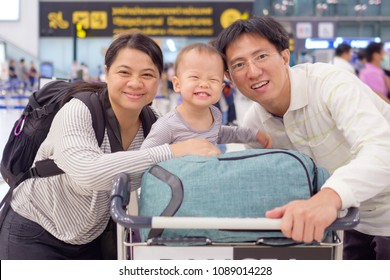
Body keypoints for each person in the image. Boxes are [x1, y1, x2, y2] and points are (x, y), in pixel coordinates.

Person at [0, 31, 220, 260]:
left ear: (159, 79)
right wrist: (172, 151)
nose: (135, 83)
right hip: (34, 232)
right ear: (106, 73)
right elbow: (89, 173)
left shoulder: (153, 122)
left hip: (93, 238)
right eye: (124, 72)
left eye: (147, 74)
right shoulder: (79, 111)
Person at [215, 16, 390, 260]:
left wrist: (328, 198)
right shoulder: (254, 126)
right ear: (229, 77)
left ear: (285, 57)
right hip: (348, 220)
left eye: (262, 56)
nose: (253, 71)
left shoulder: (330, 85)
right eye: (239, 64)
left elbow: (383, 150)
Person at [140, 43, 272, 150]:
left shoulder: (215, 115)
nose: (204, 84)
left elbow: (221, 133)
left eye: (213, 79)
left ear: (221, 88)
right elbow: (145, 157)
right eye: (195, 77)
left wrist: (253, 135)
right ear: (177, 84)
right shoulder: (167, 125)